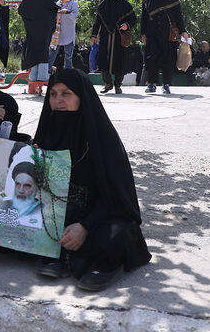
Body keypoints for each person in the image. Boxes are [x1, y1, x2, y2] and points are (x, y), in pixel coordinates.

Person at [32, 68, 151, 291]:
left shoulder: (103, 140)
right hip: (59, 214)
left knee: (119, 231)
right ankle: (58, 253)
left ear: (81, 97)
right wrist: (33, 161)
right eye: (53, 94)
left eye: (66, 93)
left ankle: (103, 264)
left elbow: (118, 197)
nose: (58, 101)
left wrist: (85, 226)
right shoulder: (47, 133)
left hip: (98, 215)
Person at [140, 0, 188, 94]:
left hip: (167, 33)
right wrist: (143, 34)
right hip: (152, 32)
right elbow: (143, 17)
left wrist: (183, 31)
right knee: (151, 59)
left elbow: (178, 15)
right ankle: (151, 83)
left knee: (167, 59)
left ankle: (166, 84)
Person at [91, 0, 136, 94]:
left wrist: (127, 25)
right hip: (105, 37)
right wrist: (94, 34)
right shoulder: (103, 6)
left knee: (119, 61)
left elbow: (134, 20)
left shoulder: (126, 6)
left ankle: (117, 85)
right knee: (103, 60)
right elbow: (97, 22)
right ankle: (107, 84)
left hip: (119, 38)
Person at [18, 0, 59, 81]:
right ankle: (42, 76)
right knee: (43, 50)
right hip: (44, 28)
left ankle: (33, 76)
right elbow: (53, 7)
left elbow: (22, 10)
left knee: (33, 50)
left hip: (32, 28)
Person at [48, 0, 79, 74]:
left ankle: (67, 74)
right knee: (52, 54)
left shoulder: (73, 4)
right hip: (57, 35)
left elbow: (74, 17)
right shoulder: (58, 4)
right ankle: (47, 73)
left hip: (68, 34)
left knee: (68, 56)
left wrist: (67, 12)